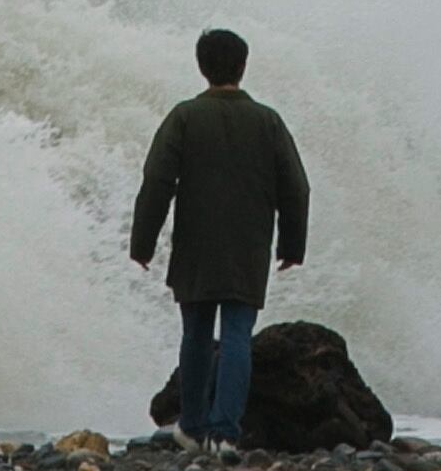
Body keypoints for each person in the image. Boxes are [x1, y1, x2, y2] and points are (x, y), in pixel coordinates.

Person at [128, 26, 311, 446]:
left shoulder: (184, 117)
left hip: (196, 245)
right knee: (236, 336)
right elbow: (295, 187)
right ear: (243, 67)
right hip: (247, 248)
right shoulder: (268, 121)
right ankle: (225, 433)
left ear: (201, 66)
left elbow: (157, 181)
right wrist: (291, 245)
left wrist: (143, 243)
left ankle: (192, 426)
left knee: (195, 334)